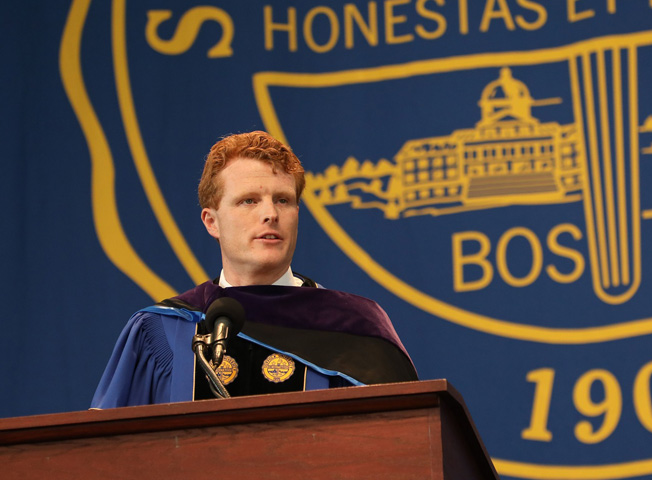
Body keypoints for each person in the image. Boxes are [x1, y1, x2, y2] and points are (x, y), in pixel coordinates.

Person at [92, 131, 417, 408]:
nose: (270, 214)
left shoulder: (356, 330)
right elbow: (113, 449)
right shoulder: (163, 330)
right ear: (211, 222)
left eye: (283, 200)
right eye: (249, 201)